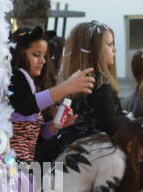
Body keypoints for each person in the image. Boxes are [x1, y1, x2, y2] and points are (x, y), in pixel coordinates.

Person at [3, 25, 94, 169]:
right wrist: (66, 87)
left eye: (44, 55)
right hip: (3, 167)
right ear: (19, 53)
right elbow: (26, 106)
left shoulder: (28, 82)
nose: (43, 61)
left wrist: (53, 126)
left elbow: (36, 136)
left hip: (22, 167)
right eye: (36, 55)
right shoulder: (12, 76)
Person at [41, 21, 124, 162]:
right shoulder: (99, 84)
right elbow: (112, 127)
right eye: (109, 45)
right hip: (90, 163)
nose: (114, 49)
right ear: (94, 51)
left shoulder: (68, 83)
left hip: (65, 158)